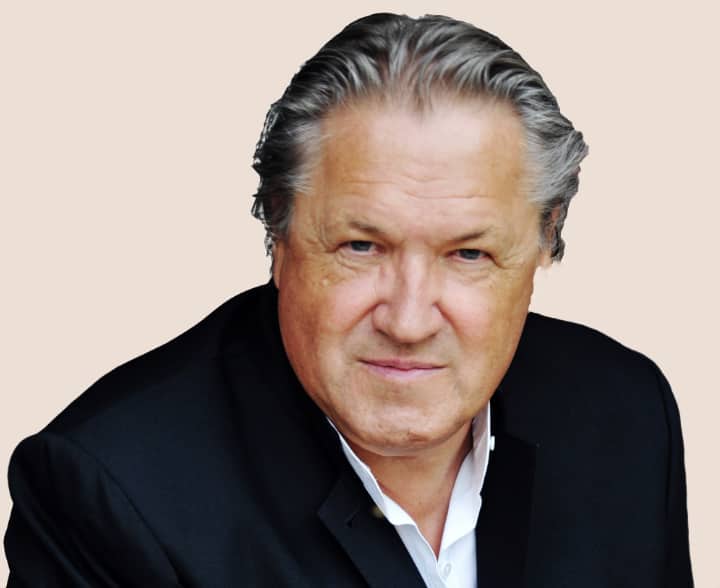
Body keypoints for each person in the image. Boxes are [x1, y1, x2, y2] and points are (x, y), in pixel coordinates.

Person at [4, 13, 692, 587]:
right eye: (362, 246)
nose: (409, 320)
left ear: (544, 241)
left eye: (468, 254)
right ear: (278, 234)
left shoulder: (627, 415)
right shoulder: (110, 492)